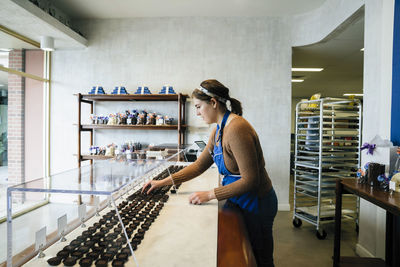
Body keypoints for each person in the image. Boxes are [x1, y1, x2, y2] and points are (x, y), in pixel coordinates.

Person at [142, 79, 278, 267]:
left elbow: (250, 180)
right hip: (238, 198)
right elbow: (199, 165)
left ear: (213, 103)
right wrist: (162, 182)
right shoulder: (218, 130)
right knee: (235, 251)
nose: (197, 113)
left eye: (198, 107)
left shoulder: (237, 129)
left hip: (257, 201)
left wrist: (210, 194)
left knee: (260, 257)